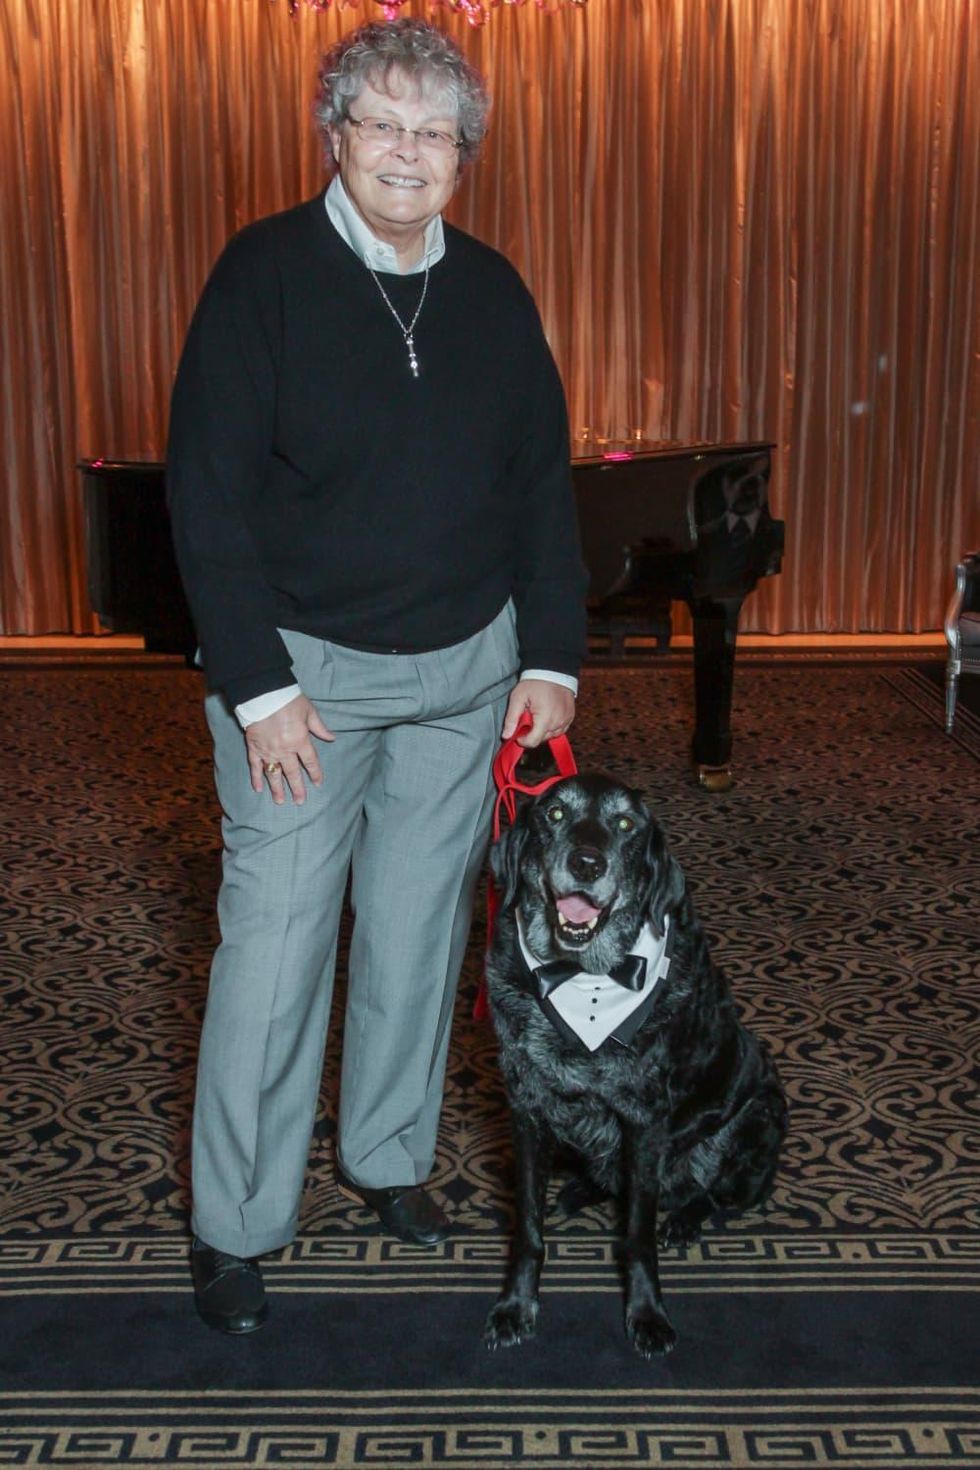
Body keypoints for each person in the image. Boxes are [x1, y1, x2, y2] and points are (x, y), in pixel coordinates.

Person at [166, 17, 587, 1335]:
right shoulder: (264, 277)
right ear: (332, 131)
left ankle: (389, 1159)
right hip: (305, 685)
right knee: (279, 950)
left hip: (466, 677)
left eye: (435, 132)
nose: (408, 152)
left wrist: (554, 660)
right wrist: (259, 686)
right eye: (381, 124)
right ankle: (234, 1222)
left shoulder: (497, 293)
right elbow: (207, 499)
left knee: (412, 935)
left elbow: (540, 497)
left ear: (465, 151)